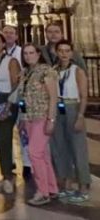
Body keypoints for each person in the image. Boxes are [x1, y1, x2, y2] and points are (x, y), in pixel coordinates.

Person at [50, 40, 91, 203]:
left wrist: (80, 116)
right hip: (58, 108)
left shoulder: (77, 71)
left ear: (72, 53)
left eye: (67, 51)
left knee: (77, 147)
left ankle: (83, 185)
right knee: (60, 146)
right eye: (61, 50)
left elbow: (84, 96)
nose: (64, 54)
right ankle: (66, 183)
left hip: (72, 107)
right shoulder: (53, 71)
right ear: (56, 52)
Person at [17, 44, 58, 206]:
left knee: (35, 153)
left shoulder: (47, 71)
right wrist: (22, 118)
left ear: (38, 54)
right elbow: (23, 97)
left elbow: (53, 97)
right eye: (25, 53)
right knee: (43, 155)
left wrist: (51, 120)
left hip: (43, 116)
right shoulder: (25, 73)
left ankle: (42, 192)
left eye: (31, 53)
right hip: (29, 118)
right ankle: (51, 187)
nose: (28, 56)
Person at [0, 32, 21, 195]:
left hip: (7, 100)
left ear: (3, 43)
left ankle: (9, 176)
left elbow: (16, 84)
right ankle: (4, 174)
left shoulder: (11, 61)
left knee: (5, 137)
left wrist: (8, 104)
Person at [2, 24, 31, 179]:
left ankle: (27, 163)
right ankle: (10, 161)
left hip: (20, 96)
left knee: (23, 130)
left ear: (16, 36)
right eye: (5, 33)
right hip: (4, 96)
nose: (8, 35)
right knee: (6, 130)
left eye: (11, 33)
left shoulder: (21, 52)